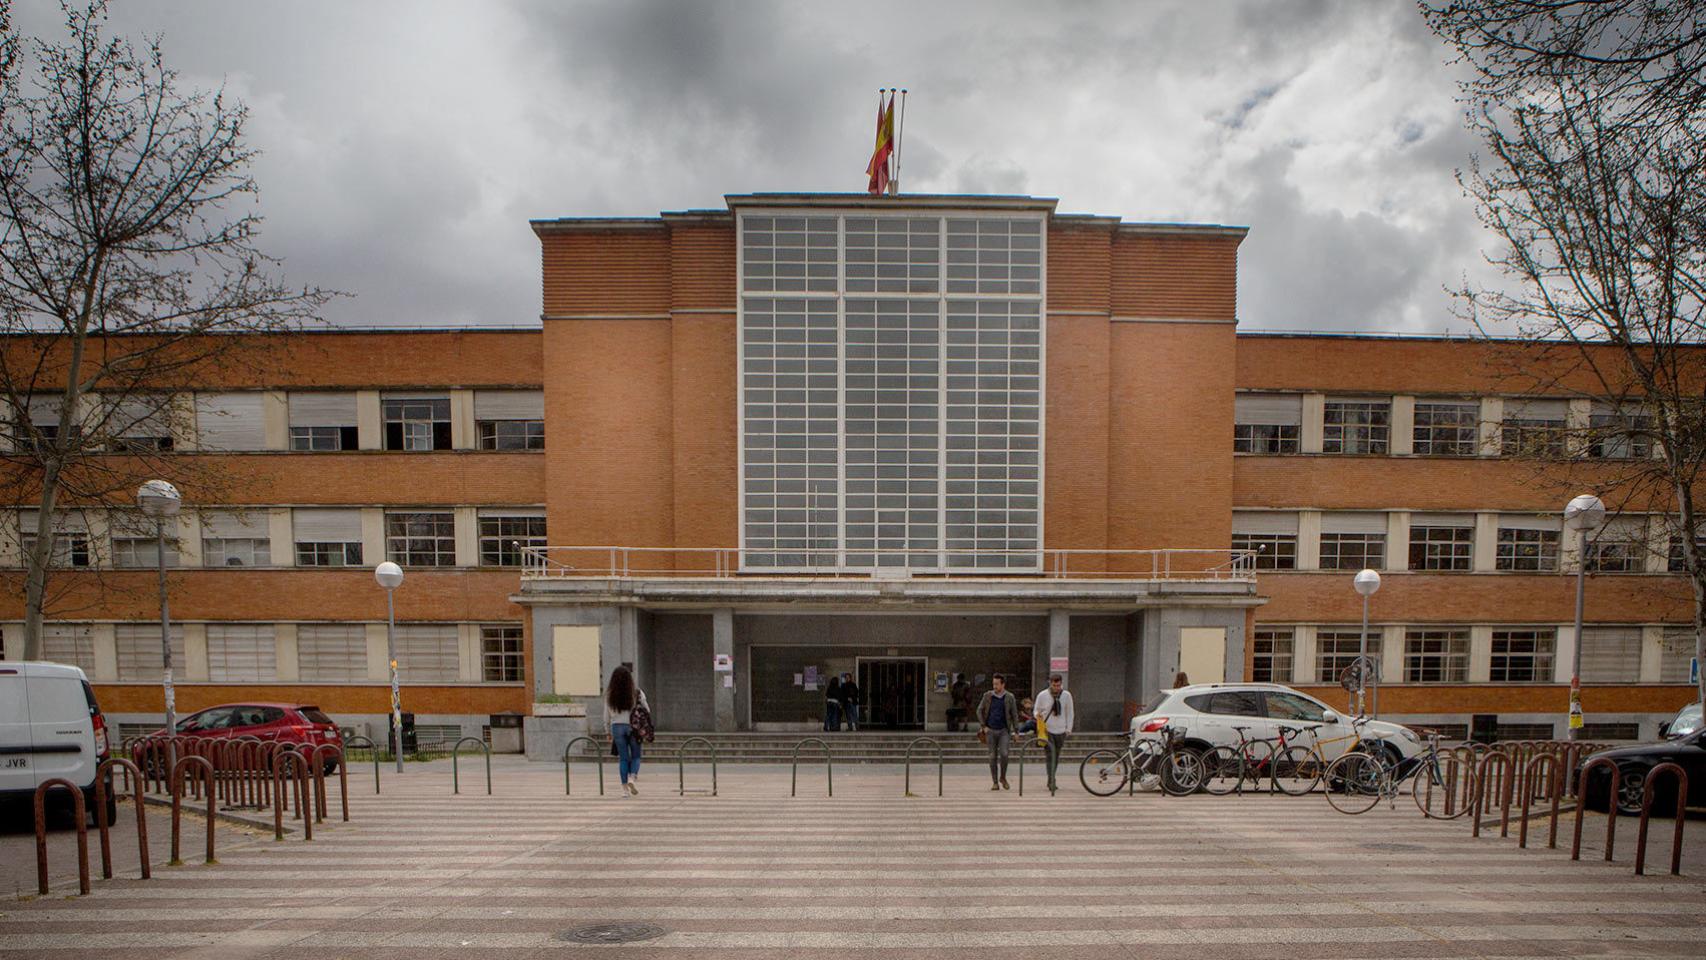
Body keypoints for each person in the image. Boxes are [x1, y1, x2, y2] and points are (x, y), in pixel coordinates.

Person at [605, 665, 650, 796]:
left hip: (616, 727)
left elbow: (606, 715)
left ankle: (625, 790)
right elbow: (647, 710)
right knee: (636, 756)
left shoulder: (609, 694)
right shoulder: (637, 693)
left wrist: (607, 731)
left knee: (623, 758)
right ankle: (632, 778)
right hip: (633, 726)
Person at [976, 673, 1020, 790]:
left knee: (1005, 754)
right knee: (992, 756)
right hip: (990, 730)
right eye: (993, 684)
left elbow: (1014, 714)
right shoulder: (988, 696)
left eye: (997, 684)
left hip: (1004, 730)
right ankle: (995, 782)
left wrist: (1016, 731)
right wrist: (983, 725)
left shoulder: (1009, 697)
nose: (994, 686)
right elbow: (979, 710)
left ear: (1003, 684)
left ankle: (1003, 777)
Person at [1032, 674, 1075, 794]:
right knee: (1050, 755)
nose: (1056, 687)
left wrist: (1068, 728)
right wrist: (1037, 715)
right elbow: (1036, 710)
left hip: (1061, 730)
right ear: (1050, 683)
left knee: (1056, 756)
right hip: (1047, 729)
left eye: (1059, 685)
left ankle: (1051, 777)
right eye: (1054, 685)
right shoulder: (1042, 695)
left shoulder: (1066, 695)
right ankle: (1052, 780)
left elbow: (1070, 712)